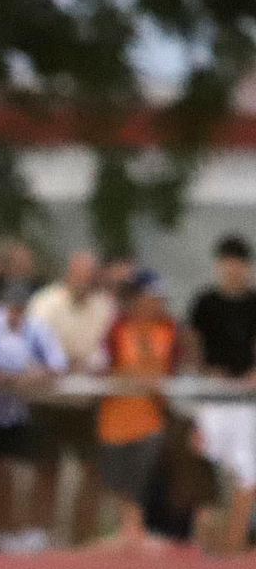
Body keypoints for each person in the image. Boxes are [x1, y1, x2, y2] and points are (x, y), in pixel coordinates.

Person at [0, 284, 66, 549]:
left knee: (31, 468)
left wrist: (33, 376)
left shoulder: (35, 328)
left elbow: (57, 364)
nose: (16, 313)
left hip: (18, 413)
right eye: (12, 307)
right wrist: (14, 378)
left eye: (21, 308)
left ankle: (23, 529)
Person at [27, 250, 114, 541]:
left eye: (89, 277)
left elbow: (106, 349)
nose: (84, 282)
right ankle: (40, 536)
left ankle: (82, 537)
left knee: (91, 470)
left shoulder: (104, 306)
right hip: (48, 400)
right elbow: (35, 346)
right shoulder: (45, 303)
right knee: (46, 470)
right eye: (79, 275)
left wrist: (88, 362)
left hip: (86, 401)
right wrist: (63, 361)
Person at [93, 272, 177, 553]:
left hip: (150, 416)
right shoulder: (117, 329)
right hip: (117, 417)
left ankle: (136, 529)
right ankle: (125, 529)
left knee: (142, 476)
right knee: (119, 477)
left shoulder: (168, 329)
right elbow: (101, 365)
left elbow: (173, 369)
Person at [185, 235, 256, 553]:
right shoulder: (205, 302)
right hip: (213, 399)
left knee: (246, 473)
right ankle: (209, 547)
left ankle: (235, 542)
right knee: (208, 472)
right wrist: (204, 371)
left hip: (246, 401)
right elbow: (192, 345)